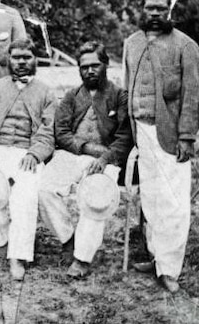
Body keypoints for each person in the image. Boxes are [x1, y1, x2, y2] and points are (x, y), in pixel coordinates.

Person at [123, 0, 199, 293]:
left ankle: (169, 269)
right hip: (140, 132)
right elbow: (127, 86)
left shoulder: (185, 46)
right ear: (141, 10)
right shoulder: (131, 43)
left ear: (169, 9)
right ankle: (156, 257)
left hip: (169, 135)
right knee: (152, 199)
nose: (155, 13)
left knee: (173, 202)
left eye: (161, 8)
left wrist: (186, 137)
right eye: (149, 8)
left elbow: (193, 96)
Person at [38, 41, 133, 279]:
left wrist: (105, 157)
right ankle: (68, 238)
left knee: (96, 195)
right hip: (73, 155)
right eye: (84, 66)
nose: (90, 71)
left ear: (106, 65)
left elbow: (125, 136)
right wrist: (86, 148)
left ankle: (82, 258)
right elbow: (61, 133)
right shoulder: (71, 96)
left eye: (95, 65)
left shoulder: (119, 96)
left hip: (106, 160)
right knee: (43, 189)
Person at [0, 38, 56, 281]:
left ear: (35, 60)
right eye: (16, 57)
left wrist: (35, 153)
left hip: (27, 153)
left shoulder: (46, 92)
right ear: (8, 60)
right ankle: (3, 235)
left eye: (26, 57)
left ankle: (18, 255)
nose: (21, 62)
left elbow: (49, 130)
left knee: (25, 195)